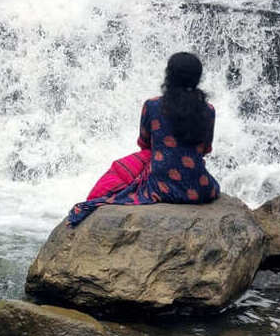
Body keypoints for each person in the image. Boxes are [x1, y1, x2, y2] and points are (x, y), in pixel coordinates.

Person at [67, 52, 220, 227]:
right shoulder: (208, 110)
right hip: (200, 188)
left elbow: (144, 143)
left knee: (122, 171)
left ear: (169, 75)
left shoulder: (153, 106)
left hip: (160, 187)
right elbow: (206, 149)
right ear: (197, 78)